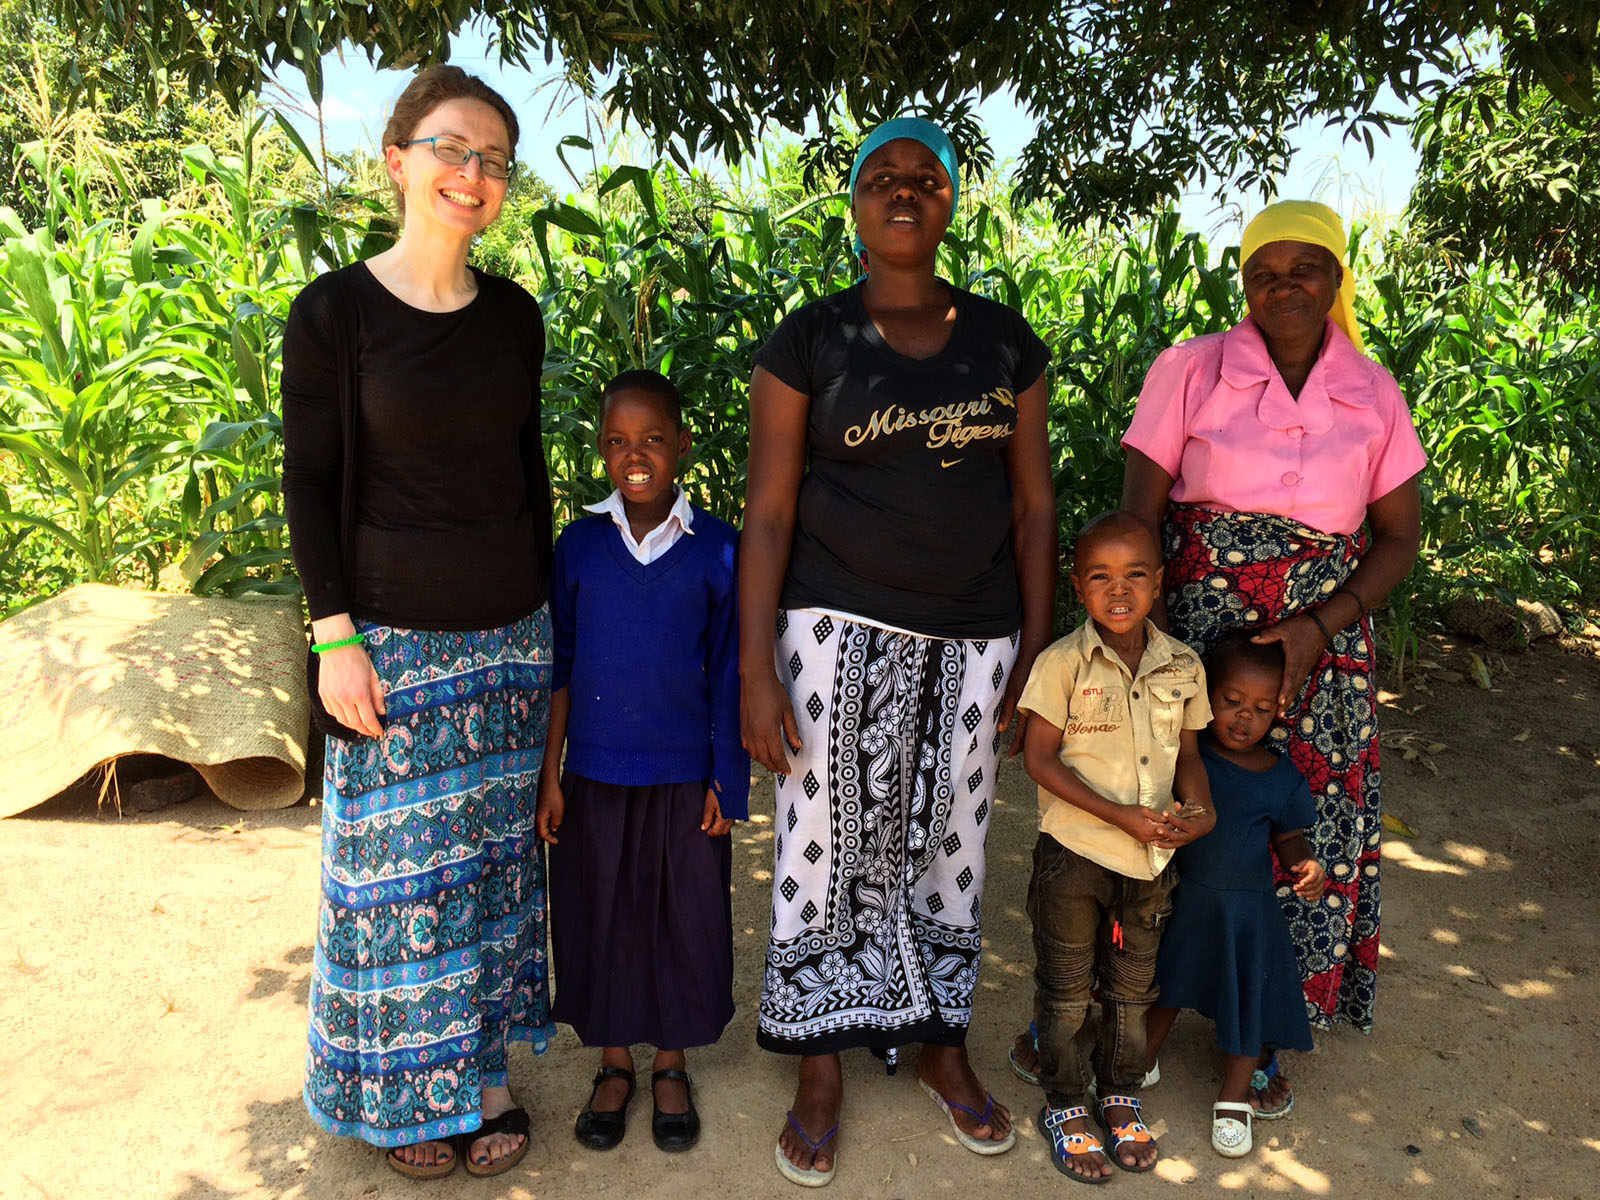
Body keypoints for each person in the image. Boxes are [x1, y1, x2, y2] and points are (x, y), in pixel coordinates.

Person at [741, 116, 1057, 1187]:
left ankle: (937, 1047)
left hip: (974, 640)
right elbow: (770, 517)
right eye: (882, 179)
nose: (904, 192)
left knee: (949, 846)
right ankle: (820, 1068)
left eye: (925, 178)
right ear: (856, 205)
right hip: (834, 629)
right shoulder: (811, 340)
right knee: (822, 850)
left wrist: (1035, 653)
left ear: (951, 200)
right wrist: (752, 670)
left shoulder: (1002, 340)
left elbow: (1032, 506)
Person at [283, 66, 554, 1180]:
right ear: (395, 160)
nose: (473, 173)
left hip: (512, 642)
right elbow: (309, 481)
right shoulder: (335, 312)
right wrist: (333, 636)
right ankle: (403, 1101)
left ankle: (482, 1079)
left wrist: (555, 646)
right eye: (452, 148)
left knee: (490, 878)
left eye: (492, 159)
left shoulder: (514, 318)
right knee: (397, 886)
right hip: (390, 643)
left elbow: (527, 479)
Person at [1120, 200, 1425, 1068]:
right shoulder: (1189, 369)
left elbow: (1398, 536)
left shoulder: (1373, 391)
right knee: (1174, 809)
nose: (1284, 286)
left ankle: (1261, 1033)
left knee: (1305, 829)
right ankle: (1132, 1005)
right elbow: (1140, 516)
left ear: (1335, 278)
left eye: (1305, 269)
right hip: (1197, 634)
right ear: (1243, 282)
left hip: (1319, 652)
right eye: (1264, 271)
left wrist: (1318, 628)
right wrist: (1159, 644)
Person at [536, 370, 747, 1154]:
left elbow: (729, 669)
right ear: (601, 450)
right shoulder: (580, 546)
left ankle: (670, 1062)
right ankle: (615, 1062)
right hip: (593, 773)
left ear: (682, 446)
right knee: (601, 912)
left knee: (682, 918)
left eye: (653, 439)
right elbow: (560, 662)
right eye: (619, 441)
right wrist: (551, 773)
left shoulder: (716, 549)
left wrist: (727, 778)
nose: (636, 455)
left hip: (683, 776)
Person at [1016, 511, 1215, 1182]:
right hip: (1074, 856)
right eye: (1100, 577)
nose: (1119, 590)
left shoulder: (1183, 665)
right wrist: (1117, 815)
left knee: (1131, 990)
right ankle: (1066, 1102)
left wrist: (1202, 807)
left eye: (1135, 575)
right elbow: (1039, 761)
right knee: (1069, 990)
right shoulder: (1062, 663)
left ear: (1159, 584)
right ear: (1078, 588)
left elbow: (1188, 754)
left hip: (1150, 861)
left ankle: (1120, 1091)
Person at [1145, 634, 1327, 1159]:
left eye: (1261, 709)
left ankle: (1234, 1097)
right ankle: (1138, 1063)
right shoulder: (1190, 756)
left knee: (1245, 1002)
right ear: (1206, 696)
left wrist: (1304, 865)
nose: (1244, 718)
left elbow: (1289, 839)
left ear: (1279, 711)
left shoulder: (1280, 778)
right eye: (1231, 702)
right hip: (1186, 900)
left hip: (1248, 913)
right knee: (1167, 986)